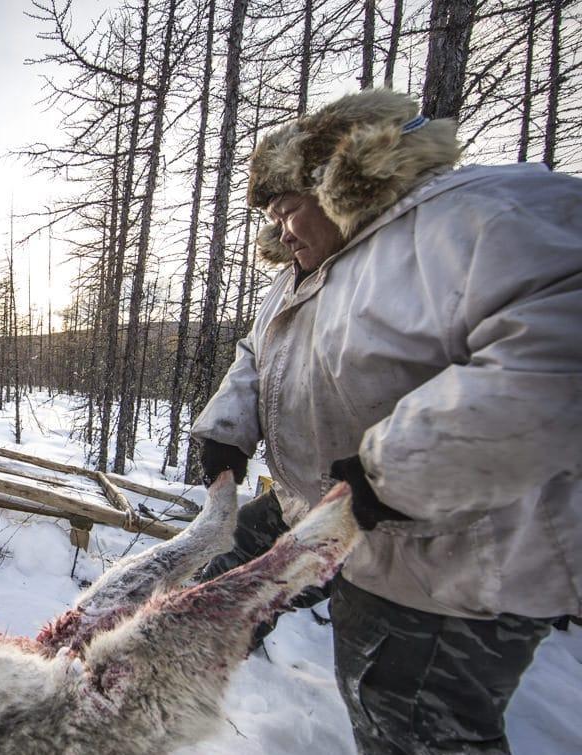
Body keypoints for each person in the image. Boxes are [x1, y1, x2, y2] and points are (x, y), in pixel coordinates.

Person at [190, 88, 582, 754]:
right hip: (331, 511)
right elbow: (259, 354)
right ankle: (195, 662)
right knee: (223, 564)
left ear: (339, 182)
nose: (281, 230)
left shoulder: (478, 214)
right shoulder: (301, 275)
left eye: (288, 209)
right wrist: (228, 427)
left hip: (455, 556)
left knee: (403, 713)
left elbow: (554, 359)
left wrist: (386, 475)